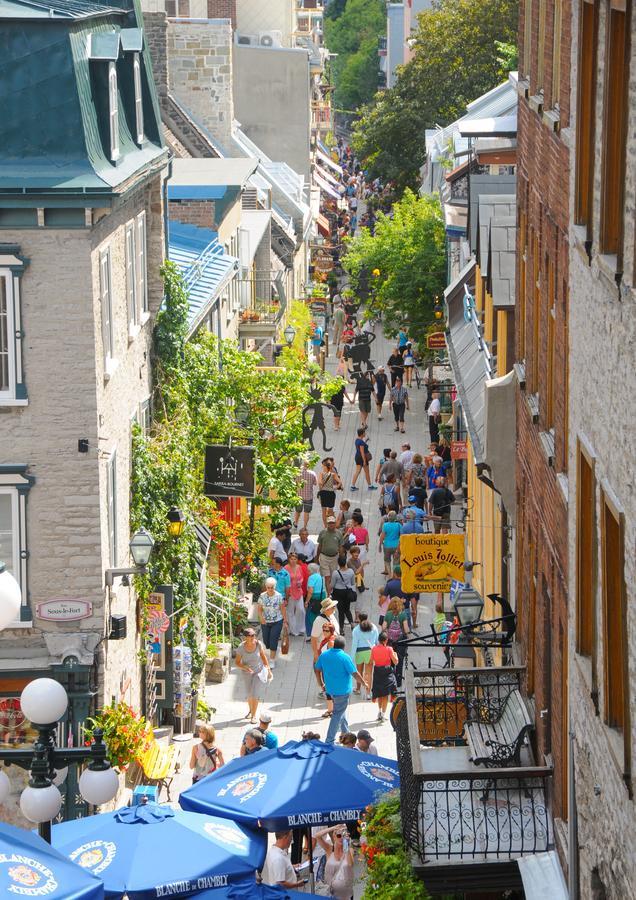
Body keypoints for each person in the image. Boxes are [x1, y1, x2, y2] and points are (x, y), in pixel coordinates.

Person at [315, 635, 367, 744]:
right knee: (337, 714)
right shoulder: (344, 657)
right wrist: (364, 683)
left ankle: (345, 733)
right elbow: (354, 673)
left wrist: (321, 683)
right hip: (342, 692)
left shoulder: (324, 655)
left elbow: (317, 669)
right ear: (343, 647)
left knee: (340, 710)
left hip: (330, 690)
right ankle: (329, 740)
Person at [235, 628, 272, 723]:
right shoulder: (241, 648)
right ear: (245, 637)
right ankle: (251, 710)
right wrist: (245, 667)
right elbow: (237, 663)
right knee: (249, 694)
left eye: (253, 635)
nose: (252, 638)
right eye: (250, 636)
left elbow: (263, 656)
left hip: (258, 672)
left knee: (255, 694)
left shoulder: (258, 644)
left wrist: (268, 669)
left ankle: (254, 716)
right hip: (247, 673)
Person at [314, 826, 355, 900]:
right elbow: (317, 836)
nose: (341, 838)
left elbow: (350, 864)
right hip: (330, 894)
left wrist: (346, 844)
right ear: (334, 837)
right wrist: (333, 828)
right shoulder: (329, 849)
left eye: (343, 836)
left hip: (346, 894)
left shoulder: (349, 850)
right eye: (339, 836)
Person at [312, 598, 340, 698]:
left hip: (333, 649)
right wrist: (315, 654)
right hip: (324, 651)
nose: (334, 608)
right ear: (327, 609)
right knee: (323, 671)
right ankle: (325, 690)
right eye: (332, 607)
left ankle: (328, 690)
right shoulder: (319, 620)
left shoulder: (332, 616)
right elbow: (314, 638)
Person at [256, 577, 287, 669]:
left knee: (273, 640)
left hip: (277, 621)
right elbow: (259, 608)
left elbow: (282, 609)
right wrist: (261, 618)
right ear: (266, 587)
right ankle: (273, 649)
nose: (270, 589)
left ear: (275, 587)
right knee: (266, 642)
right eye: (268, 587)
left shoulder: (279, 596)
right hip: (265, 621)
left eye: (272, 587)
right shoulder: (262, 596)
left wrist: (285, 621)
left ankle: (272, 660)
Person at [370, 632, 398, 722]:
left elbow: (371, 660)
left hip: (377, 672)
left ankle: (379, 712)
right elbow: (396, 662)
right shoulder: (389, 649)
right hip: (387, 672)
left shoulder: (373, 649)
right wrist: (395, 654)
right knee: (385, 694)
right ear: (386, 640)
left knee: (379, 694)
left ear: (378, 640)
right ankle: (383, 714)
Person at [383, 597, 410, 687]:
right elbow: (406, 629)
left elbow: (384, 627)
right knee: (400, 661)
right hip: (400, 641)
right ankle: (398, 683)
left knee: (390, 661)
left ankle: (390, 681)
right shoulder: (403, 615)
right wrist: (408, 636)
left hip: (390, 642)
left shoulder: (388, 614)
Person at [350, 613, 378, 698]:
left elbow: (354, 644)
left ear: (359, 619)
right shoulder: (373, 627)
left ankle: (358, 689)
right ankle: (368, 693)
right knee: (369, 673)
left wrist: (351, 657)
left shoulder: (356, 629)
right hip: (370, 652)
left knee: (359, 672)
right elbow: (376, 641)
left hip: (359, 652)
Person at [317, 516, 344, 591]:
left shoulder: (339, 533)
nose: (331, 524)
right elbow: (319, 546)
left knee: (332, 576)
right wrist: (316, 558)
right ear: (327, 524)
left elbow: (341, 546)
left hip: (334, 558)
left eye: (333, 523)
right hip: (324, 557)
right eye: (329, 523)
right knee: (327, 576)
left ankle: (330, 591)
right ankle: (328, 594)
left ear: (335, 523)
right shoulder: (323, 532)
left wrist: (342, 558)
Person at [331, 555, 356, 632]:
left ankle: (341, 629)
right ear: (345, 563)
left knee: (341, 611)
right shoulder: (351, 571)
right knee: (347, 609)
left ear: (338, 564)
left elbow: (332, 585)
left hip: (338, 593)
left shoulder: (335, 573)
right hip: (347, 592)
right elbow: (352, 583)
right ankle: (352, 623)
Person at [285, 552, 305, 636]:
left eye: (295, 559)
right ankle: (293, 630)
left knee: (301, 610)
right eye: (291, 559)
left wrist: (300, 582)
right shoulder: (286, 568)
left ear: (297, 560)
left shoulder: (299, 567)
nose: (293, 561)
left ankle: (301, 629)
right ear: (289, 559)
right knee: (290, 611)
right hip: (290, 592)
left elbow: (302, 577)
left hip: (298, 590)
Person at [305, 562, 327, 638]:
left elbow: (310, 591)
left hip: (314, 598)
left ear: (311, 571)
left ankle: (310, 635)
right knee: (320, 615)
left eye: (308, 570)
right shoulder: (321, 577)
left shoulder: (312, 577)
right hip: (322, 597)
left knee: (309, 616)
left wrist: (306, 601)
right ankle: (320, 634)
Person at [318, 458, 342, 527]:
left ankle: (325, 526)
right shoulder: (333, 474)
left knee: (324, 511)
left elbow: (319, 483)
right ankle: (332, 525)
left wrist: (322, 486)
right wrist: (335, 487)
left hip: (324, 493)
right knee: (331, 511)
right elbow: (340, 482)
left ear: (325, 467)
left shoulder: (321, 474)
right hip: (331, 493)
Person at [350, 427, 375, 491]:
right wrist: (364, 461)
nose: (365, 433)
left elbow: (362, 445)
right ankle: (370, 486)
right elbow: (362, 452)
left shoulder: (357, 440)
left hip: (357, 457)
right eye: (364, 433)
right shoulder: (361, 442)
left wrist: (366, 440)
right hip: (362, 458)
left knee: (357, 471)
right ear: (362, 434)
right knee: (366, 472)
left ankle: (352, 486)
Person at [294, 462, 317, 529]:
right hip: (308, 496)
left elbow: (294, 482)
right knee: (306, 512)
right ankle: (304, 526)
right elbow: (315, 483)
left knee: (298, 511)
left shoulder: (297, 473)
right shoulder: (312, 473)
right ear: (309, 466)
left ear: (302, 465)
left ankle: (296, 522)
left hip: (299, 496)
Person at [379, 510, 401, 575]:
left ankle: (390, 574)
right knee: (396, 561)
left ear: (388, 517)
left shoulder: (385, 525)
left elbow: (382, 536)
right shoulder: (398, 525)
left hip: (387, 545)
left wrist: (380, 545)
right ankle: (395, 574)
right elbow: (402, 535)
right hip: (396, 546)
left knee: (387, 560)